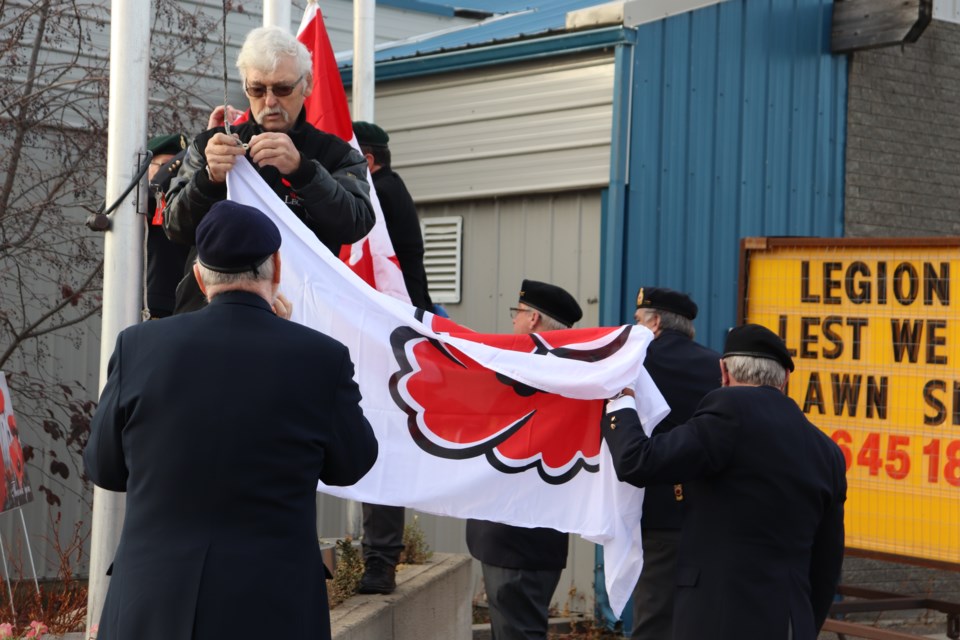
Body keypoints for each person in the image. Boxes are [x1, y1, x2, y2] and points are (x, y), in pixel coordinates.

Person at [84, 200, 379, 640]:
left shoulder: (138, 346)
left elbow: (104, 468)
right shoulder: (320, 358)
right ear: (276, 268)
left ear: (200, 276)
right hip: (272, 602)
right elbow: (353, 463)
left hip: (154, 596)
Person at [602, 324, 847, 640]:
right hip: (789, 621)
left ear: (724, 372)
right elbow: (828, 563)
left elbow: (637, 461)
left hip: (718, 619)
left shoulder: (728, 412)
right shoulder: (827, 451)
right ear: (786, 377)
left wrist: (620, 403)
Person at [164, 26, 375, 314]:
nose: (270, 101)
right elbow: (175, 226)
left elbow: (356, 223)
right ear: (245, 87)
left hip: (304, 315)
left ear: (308, 84)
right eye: (258, 89)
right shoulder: (210, 146)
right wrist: (209, 180)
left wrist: (304, 171)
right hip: (208, 313)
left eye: (282, 88)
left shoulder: (337, 154)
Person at [466, 279, 582, 640]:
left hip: (514, 536)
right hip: (540, 535)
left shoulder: (521, 370)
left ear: (533, 319)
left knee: (518, 632)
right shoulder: (574, 372)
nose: (513, 322)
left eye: (517, 314)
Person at [350, 121, 433, 595]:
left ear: (369, 161)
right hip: (382, 330)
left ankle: (379, 559)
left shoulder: (381, 193)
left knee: (379, 437)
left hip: (388, 336)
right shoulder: (382, 187)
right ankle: (376, 554)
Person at [629, 287, 721, 640]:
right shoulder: (716, 365)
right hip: (708, 512)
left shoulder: (636, 360)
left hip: (656, 510)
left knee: (653, 620)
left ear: (654, 323)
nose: (634, 326)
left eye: (638, 320)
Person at [352, 121, 433, 310]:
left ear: (367, 161)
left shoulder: (379, 195)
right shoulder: (391, 184)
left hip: (399, 306)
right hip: (410, 302)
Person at [144, 133, 191, 318]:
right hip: (152, 308)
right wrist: (193, 152)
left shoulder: (184, 203)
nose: (173, 174)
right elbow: (154, 189)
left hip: (185, 309)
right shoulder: (139, 201)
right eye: (164, 165)